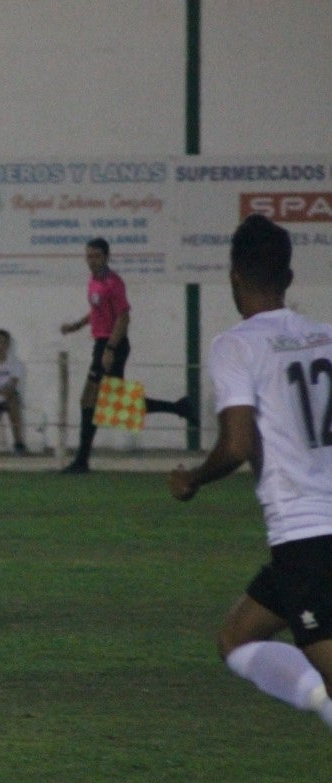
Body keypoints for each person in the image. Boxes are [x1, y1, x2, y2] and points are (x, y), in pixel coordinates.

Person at [168, 214, 332, 729]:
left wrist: (193, 477)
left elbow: (236, 444)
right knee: (236, 639)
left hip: (306, 535)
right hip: (310, 538)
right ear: (287, 278)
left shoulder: (235, 346)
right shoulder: (326, 336)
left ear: (234, 275)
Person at [59, 237, 193, 473]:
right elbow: (97, 310)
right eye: (88, 256)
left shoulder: (113, 282)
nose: (91, 261)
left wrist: (110, 349)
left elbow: (123, 317)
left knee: (92, 401)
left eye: (96, 256)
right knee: (114, 403)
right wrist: (77, 325)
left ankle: (81, 461)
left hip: (112, 345)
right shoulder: (94, 281)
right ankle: (179, 408)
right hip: (102, 344)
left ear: (106, 257)